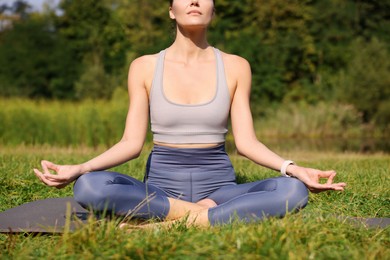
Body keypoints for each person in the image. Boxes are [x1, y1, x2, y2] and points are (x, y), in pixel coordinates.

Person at [34, 0, 346, 228]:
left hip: (220, 191)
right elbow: (131, 143)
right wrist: (80, 167)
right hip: (159, 190)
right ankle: (200, 218)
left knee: (292, 190)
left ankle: (169, 223)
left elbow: (248, 143)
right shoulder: (144, 67)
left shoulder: (237, 66)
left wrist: (293, 168)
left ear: (213, 10)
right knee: (89, 186)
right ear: (171, 10)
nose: (195, 1)